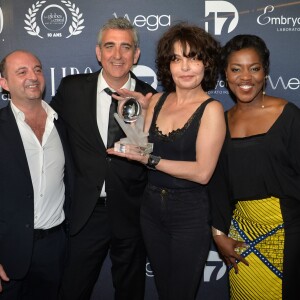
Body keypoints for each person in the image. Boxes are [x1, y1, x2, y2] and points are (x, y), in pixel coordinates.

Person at [107, 23, 226, 300]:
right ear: (167, 65)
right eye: (176, 58)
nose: (185, 67)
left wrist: (151, 159)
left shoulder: (212, 109)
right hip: (150, 209)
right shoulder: (157, 101)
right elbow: (140, 146)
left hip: (189, 213)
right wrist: (131, 116)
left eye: (193, 58)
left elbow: (202, 173)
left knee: (180, 293)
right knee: (163, 289)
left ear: (206, 64)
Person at [50, 17, 156, 300]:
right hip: (86, 211)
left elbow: (155, 155)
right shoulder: (71, 89)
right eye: (110, 46)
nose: (117, 55)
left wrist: (143, 123)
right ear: (99, 53)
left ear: (136, 54)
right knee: (73, 289)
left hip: (132, 211)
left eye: (126, 47)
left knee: (131, 291)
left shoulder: (152, 98)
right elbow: (44, 130)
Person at [209, 34, 300, 299]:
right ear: (225, 74)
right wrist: (218, 234)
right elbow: (218, 184)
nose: (245, 77)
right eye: (236, 69)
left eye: (254, 68)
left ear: (265, 72)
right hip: (242, 238)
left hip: (289, 234)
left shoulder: (289, 116)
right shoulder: (221, 121)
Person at [0, 50, 73, 300]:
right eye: (22, 72)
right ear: (4, 83)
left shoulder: (62, 124)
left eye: (37, 69)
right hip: (7, 251)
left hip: (54, 249)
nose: (33, 76)